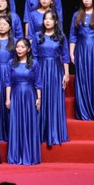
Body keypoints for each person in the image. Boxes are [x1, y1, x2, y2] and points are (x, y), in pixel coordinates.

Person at [33, 10, 70, 145]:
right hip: (41, 69)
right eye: (45, 18)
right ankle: (40, 133)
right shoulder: (37, 36)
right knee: (41, 99)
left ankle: (54, 132)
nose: (47, 21)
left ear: (56, 21)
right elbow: (34, 57)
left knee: (54, 100)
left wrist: (66, 73)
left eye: (50, 19)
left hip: (55, 71)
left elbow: (65, 56)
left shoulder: (61, 36)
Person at [5, 38, 43, 165]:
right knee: (15, 123)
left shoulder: (34, 63)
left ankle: (29, 155)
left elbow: (38, 82)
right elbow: (8, 82)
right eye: (17, 47)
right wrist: (7, 98)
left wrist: (39, 98)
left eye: (22, 47)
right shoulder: (11, 63)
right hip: (15, 95)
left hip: (29, 96)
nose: (19, 49)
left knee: (29, 123)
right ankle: (16, 155)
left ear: (28, 49)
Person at [0, 16, 16, 142]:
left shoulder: (15, 42)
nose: (1, 26)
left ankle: (10, 132)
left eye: (4, 24)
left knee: (9, 101)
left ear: (10, 26)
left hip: (10, 72)